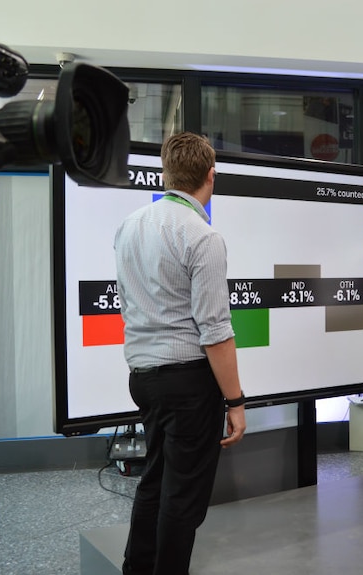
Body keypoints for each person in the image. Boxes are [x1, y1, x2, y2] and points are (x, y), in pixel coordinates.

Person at [114, 132, 247, 575]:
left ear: (166, 175)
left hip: (144, 377)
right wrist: (235, 401)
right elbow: (215, 331)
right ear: (211, 176)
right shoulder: (203, 236)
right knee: (183, 496)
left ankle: (138, 568)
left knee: (154, 478)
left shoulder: (129, 226)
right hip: (189, 382)